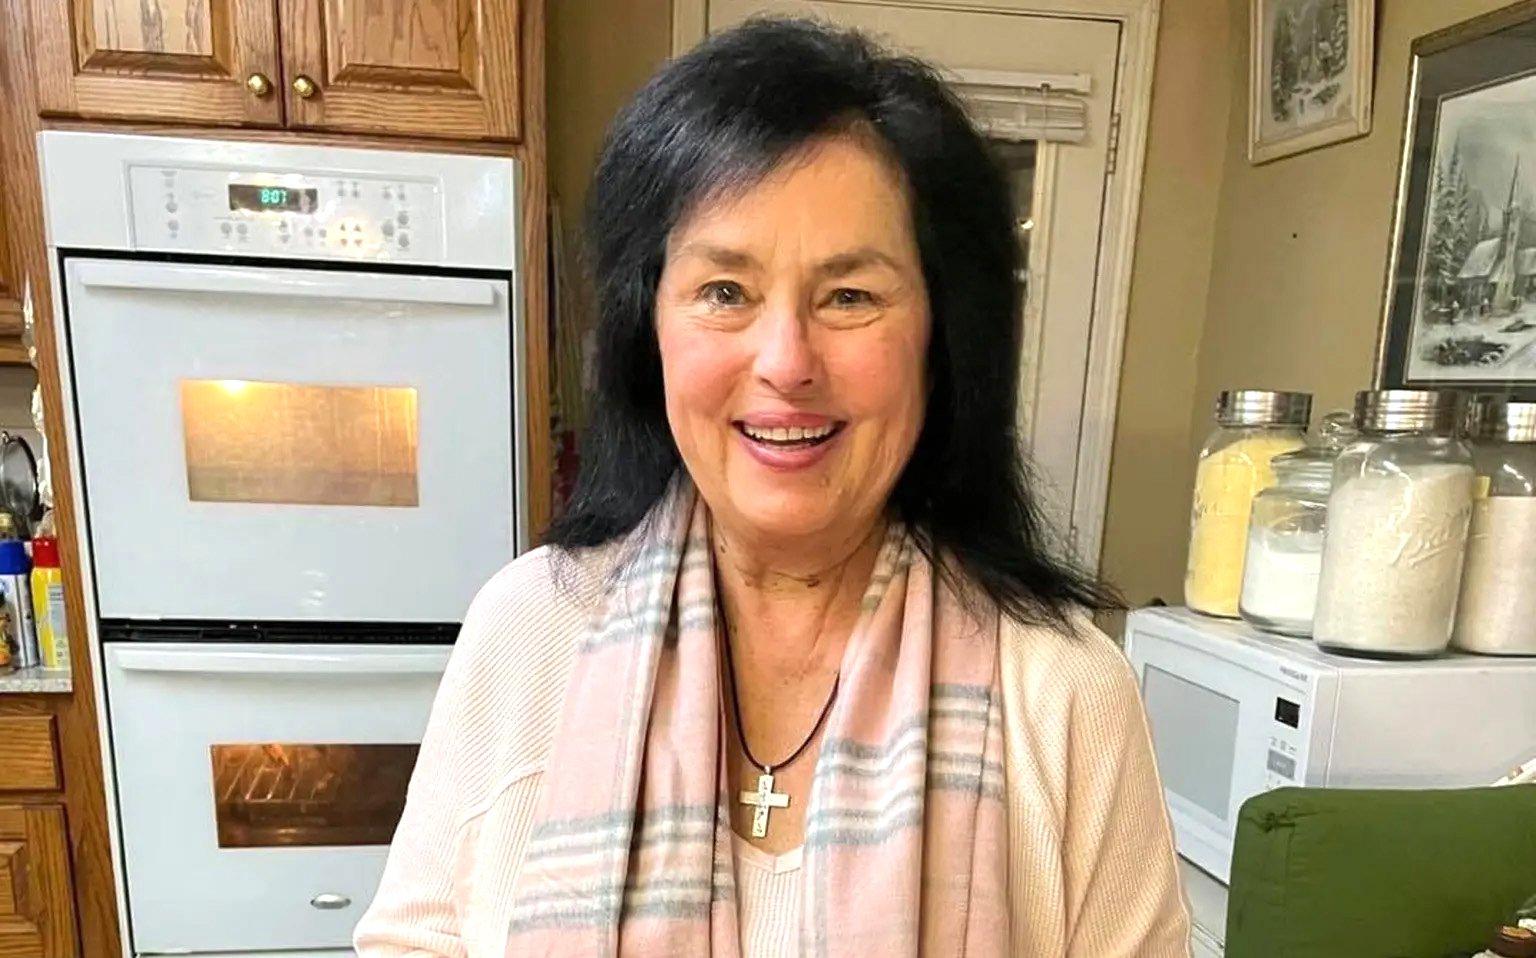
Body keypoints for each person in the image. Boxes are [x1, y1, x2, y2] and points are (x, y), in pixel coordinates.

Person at [356, 15, 1189, 957]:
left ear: (941, 338)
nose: (787, 362)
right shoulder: (528, 632)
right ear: (647, 327)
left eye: (850, 296)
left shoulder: (1066, 692)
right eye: (725, 292)